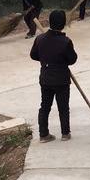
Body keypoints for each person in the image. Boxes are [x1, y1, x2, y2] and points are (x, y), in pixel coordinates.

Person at [30, 10, 78, 143]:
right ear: (63, 24)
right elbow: (72, 60)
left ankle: (43, 134)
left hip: (45, 78)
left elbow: (33, 55)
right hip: (61, 79)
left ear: (50, 22)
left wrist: (45, 58)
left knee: (45, 107)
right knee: (63, 107)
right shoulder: (65, 42)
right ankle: (65, 133)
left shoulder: (40, 39)